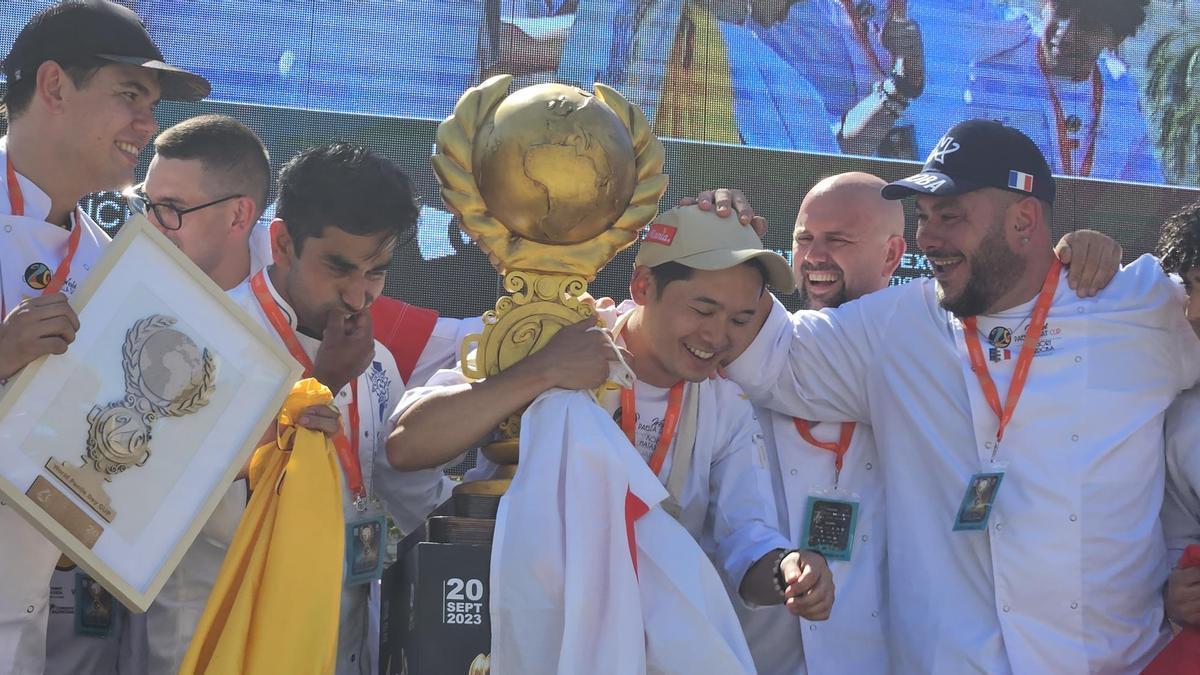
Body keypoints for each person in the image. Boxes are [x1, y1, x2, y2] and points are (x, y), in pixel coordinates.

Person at [722, 118, 1199, 672]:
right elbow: (766, 355)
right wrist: (719, 241)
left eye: (950, 216)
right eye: (924, 217)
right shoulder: (890, 326)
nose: (928, 238)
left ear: (1024, 220)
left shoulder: (1141, 306)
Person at [389, 204, 836, 631]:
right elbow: (406, 444)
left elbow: (746, 537)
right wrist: (542, 370)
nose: (717, 336)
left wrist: (785, 570)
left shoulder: (725, 403)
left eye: (740, 320)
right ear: (643, 286)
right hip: (514, 628)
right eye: (702, 310)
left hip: (639, 644)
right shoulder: (553, 334)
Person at [0, 2, 209, 673]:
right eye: (129, 96)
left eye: (151, 104)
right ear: (54, 86)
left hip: (22, 612)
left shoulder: (110, 267)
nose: (147, 125)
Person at [224, 142, 453, 674]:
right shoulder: (214, 337)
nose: (358, 296)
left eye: (376, 273)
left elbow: (403, 497)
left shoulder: (378, 364)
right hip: (225, 638)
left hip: (341, 645)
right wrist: (320, 382)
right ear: (281, 243)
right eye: (338, 267)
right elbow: (184, 493)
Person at [965, 0, 1163, 183]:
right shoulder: (994, 55)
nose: (1065, 34)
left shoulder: (1120, 88)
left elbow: (1147, 189)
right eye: (1060, 12)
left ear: (1116, 39)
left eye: (1087, 25)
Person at [1156, 200, 1200, 628]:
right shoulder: (1180, 413)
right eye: (1188, 289)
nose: (1194, 312)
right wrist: (1178, 596)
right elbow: (1178, 541)